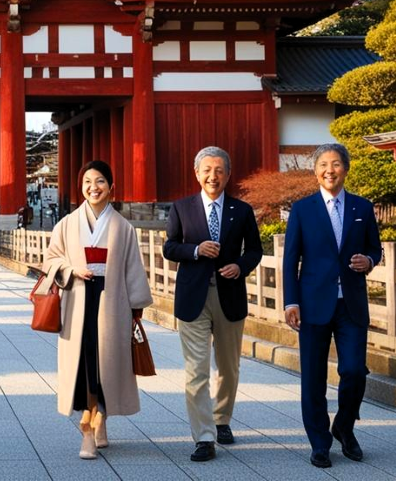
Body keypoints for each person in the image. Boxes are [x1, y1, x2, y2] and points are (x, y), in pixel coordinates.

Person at [41, 161, 153, 461]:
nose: (94, 187)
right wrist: (71, 268)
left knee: (107, 366)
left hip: (112, 302)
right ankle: (87, 430)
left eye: (100, 181)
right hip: (77, 302)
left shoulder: (123, 227)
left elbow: (133, 268)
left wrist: (136, 309)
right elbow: (50, 260)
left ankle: (101, 419)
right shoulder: (66, 224)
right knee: (84, 367)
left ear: (111, 187)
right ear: (81, 187)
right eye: (88, 181)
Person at [284, 143, 382, 469]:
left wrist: (368, 260)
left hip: (351, 303)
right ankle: (320, 442)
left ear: (346, 168)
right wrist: (291, 301)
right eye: (323, 164)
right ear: (315, 171)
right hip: (312, 303)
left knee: (354, 370)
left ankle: (344, 425)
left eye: (336, 163)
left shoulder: (362, 208)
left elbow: (375, 249)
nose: (330, 169)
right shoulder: (302, 209)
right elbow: (290, 260)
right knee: (312, 376)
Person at [163, 147, 263, 462]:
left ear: (228, 175)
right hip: (193, 296)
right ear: (197, 173)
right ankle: (203, 437)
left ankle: (222, 420)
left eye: (219, 170)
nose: (213, 176)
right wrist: (194, 251)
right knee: (196, 370)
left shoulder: (242, 210)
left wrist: (241, 267)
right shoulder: (182, 208)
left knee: (229, 367)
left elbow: (255, 250)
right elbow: (169, 247)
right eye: (207, 169)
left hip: (229, 295)